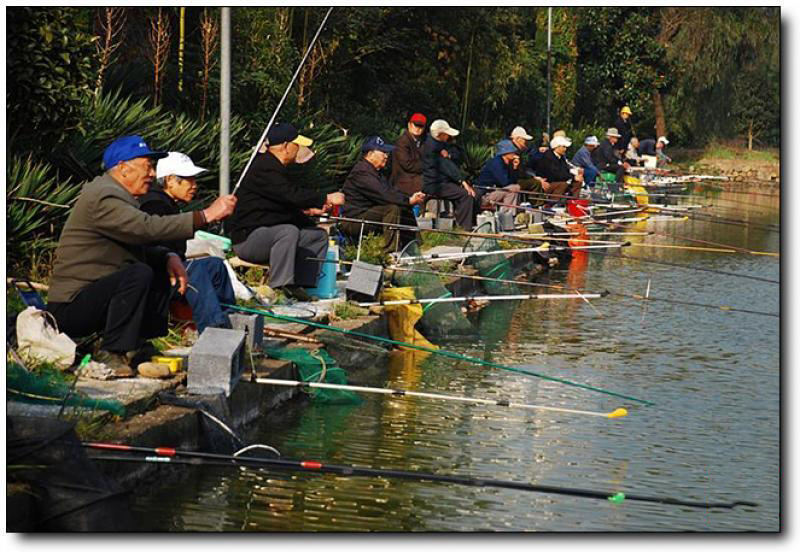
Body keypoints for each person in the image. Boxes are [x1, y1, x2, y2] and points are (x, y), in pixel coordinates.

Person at [46, 135, 237, 376]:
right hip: (71, 306)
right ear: (124, 168)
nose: (152, 174)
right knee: (138, 273)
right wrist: (205, 216)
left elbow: (137, 242)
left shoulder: (120, 197)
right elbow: (145, 228)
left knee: (155, 269)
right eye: (147, 166)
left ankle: (137, 346)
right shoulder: (105, 195)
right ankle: (113, 352)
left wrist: (167, 257)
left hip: (95, 296)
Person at [225, 123, 345, 302]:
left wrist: (310, 213)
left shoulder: (275, 168)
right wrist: (325, 198)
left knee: (317, 236)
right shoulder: (264, 168)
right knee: (288, 231)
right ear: (285, 146)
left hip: (268, 234)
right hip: (248, 239)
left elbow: (283, 205)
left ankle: (300, 285)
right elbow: (290, 195)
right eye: (297, 145)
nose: (299, 150)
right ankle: (280, 286)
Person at [139, 152, 236, 334]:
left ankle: (231, 317)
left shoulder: (167, 203)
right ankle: (214, 331)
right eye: (188, 180)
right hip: (158, 274)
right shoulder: (154, 204)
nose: (194, 186)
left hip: (172, 268)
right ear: (169, 180)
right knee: (195, 271)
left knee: (215, 266)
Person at [340, 136, 426, 254]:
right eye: (383, 152)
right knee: (392, 209)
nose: (386, 155)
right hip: (353, 221)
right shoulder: (361, 172)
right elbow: (383, 194)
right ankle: (389, 252)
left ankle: (414, 249)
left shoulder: (376, 172)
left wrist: (409, 200)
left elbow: (391, 191)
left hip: (368, 215)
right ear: (370, 154)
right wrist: (408, 200)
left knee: (403, 206)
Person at [421, 119, 478, 230]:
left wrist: (450, 155)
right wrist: (463, 181)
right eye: (447, 134)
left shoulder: (441, 143)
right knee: (466, 195)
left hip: (445, 181)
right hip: (435, 183)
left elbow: (458, 154)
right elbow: (447, 167)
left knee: (469, 193)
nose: (449, 137)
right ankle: (464, 227)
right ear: (440, 134)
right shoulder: (432, 148)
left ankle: (463, 223)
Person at [476, 139, 521, 214]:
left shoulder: (506, 163)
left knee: (515, 188)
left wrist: (515, 167)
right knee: (514, 188)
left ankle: (508, 214)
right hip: (485, 194)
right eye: (512, 152)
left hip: (494, 191)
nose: (514, 154)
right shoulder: (497, 163)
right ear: (505, 153)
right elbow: (505, 182)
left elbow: (513, 181)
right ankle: (506, 215)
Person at [536, 135, 583, 200]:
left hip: (557, 181)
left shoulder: (561, 157)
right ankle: (552, 203)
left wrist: (575, 177)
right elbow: (555, 175)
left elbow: (565, 171)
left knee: (578, 182)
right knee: (563, 184)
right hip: (547, 183)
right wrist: (573, 177)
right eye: (563, 147)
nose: (565, 149)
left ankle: (572, 202)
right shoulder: (548, 157)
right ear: (556, 147)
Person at [391, 113, 427, 196]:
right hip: (404, 180)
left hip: (416, 178)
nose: (418, 128)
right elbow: (407, 165)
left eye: (420, 126)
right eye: (416, 125)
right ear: (409, 125)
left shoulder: (422, 142)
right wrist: (427, 165)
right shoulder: (402, 142)